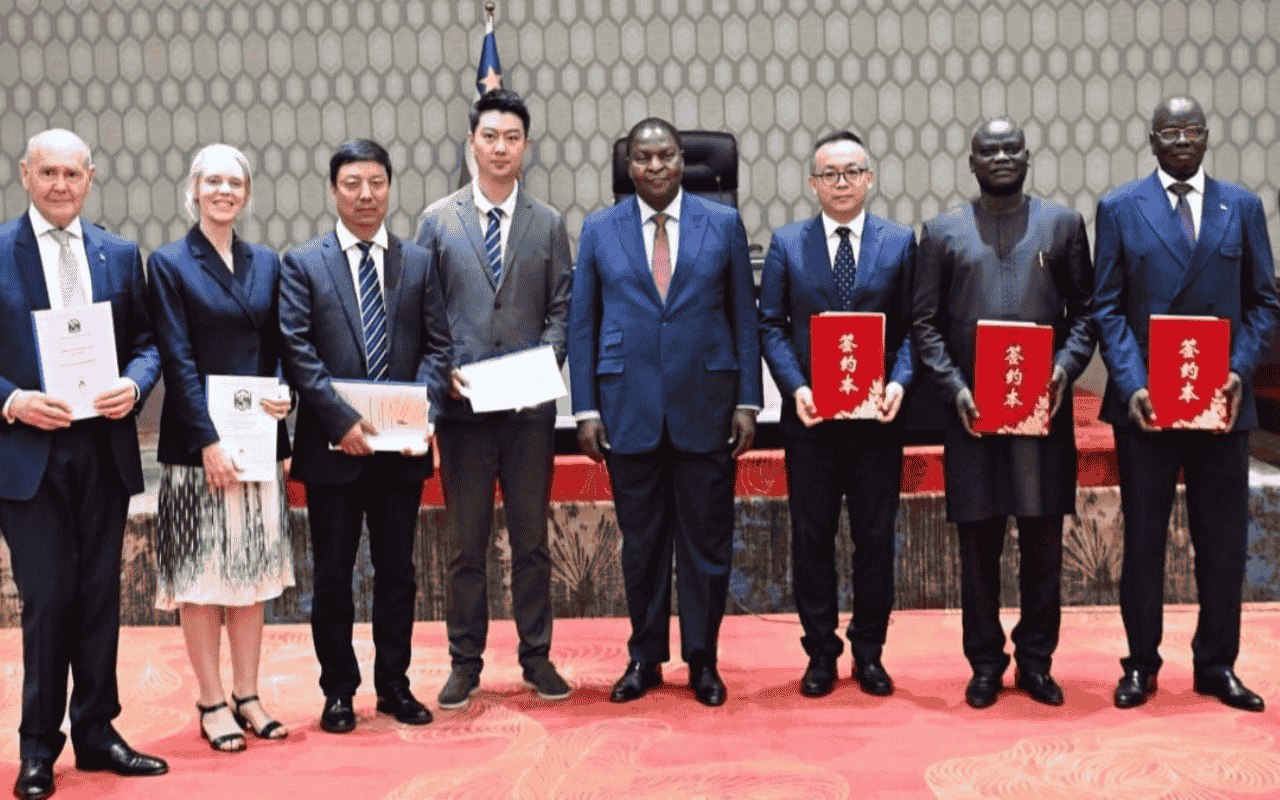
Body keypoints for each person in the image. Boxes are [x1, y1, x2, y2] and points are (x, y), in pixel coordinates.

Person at [1094, 96, 1280, 711]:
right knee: (1144, 541)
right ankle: (1140, 665)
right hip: (1145, 407)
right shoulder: (1119, 207)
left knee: (1223, 542)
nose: (1181, 139)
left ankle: (1216, 665)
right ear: (1151, 140)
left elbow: (1264, 302)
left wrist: (1239, 370)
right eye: (1169, 131)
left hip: (1222, 404)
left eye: (1192, 130)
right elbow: (1106, 307)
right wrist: (1133, 382)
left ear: (1206, 137)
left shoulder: (1241, 207)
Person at [568, 117, 762, 707]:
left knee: (706, 545)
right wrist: (584, 408)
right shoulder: (599, 229)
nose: (655, 166)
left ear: (683, 161)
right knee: (642, 546)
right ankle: (645, 658)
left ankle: (703, 660)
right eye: (643, 158)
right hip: (628, 408)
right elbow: (583, 324)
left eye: (666, 156)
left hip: (707, 405)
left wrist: (748, 400)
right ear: (628, 167)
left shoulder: (722, 223)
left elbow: (744, 316)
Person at [0, 129, 165, 799]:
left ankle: (97, 731)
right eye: (49, 172)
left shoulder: (118, 254)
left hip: (103, 449)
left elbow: (149, 344)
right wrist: (12, 401)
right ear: (25, 174)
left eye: (73, 173)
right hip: (27, 454)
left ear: (90, 177)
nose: (61, 185)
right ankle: (38, 747)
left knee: (99, 595)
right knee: (47, 598)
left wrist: (134, 383)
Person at [912, 118, 1095, 709]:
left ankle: (1036, 662)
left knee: (1043, 545)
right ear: (971, 163)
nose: (1000, 157)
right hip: (972, 416)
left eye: (1010, 148)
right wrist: (954, 388)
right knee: (978, 547)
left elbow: (1087, 313)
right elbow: (924, 325)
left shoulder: (1062, 225)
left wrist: (1064, 369)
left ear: (1027, 156)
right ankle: (985, 663)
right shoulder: (942, 232)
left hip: (1042, 414)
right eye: (987, 150)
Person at [279, 139, 451, 733]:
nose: (365, 195)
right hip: (334, 450)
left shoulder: (418, 263)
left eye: (376, 182)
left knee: (397, 572)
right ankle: (338, 691)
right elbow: (297, 350)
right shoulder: (303, 263)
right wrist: (341, 420)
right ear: (334, 190)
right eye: (352, 183)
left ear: (389, 187)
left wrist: (420, 413)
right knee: (333, 575)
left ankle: (394, 685)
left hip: (399, 450)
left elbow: (438, 348)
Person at [414, 89, 574, 710]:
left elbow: (561, 309)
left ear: (526, 147)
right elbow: (423, 311)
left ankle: (537, 657)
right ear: (471, 144)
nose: (500, 147)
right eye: (490, 137)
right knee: (465, 546)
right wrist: (442, 372)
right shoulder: (437, 221)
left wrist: (545, 364)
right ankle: (465, 663)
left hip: (529, 414)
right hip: (464, 413)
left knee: (532, 542)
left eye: (512, 137)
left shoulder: (549, 223)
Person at [146, 143, 295, 752]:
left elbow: (278, 346)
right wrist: (207, 441)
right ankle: (211, 701)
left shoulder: (267, 262)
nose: (224, 191)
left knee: (252, 573)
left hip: (257, 439)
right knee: (202, 577)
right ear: (194, 189)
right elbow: (176, 359)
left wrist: (283, 397)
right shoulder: (169, 263)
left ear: (247, 193)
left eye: (234, 182)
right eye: (213, 181)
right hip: (196, 447)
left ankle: (248, 695)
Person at [758, 131, 916, 698]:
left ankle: (869, 652)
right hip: (813, 423)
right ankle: (821, 652)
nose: (842, 183)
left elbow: (914, 328)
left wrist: (899, 381)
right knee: (812, 538)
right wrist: (795, 387)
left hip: (877, 424)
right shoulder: (787, 243)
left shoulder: (900, 243)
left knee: (875, 539)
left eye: (852, 172)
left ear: (869, 178)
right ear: (813, 184)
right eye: (830, 174)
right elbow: (770, 325)